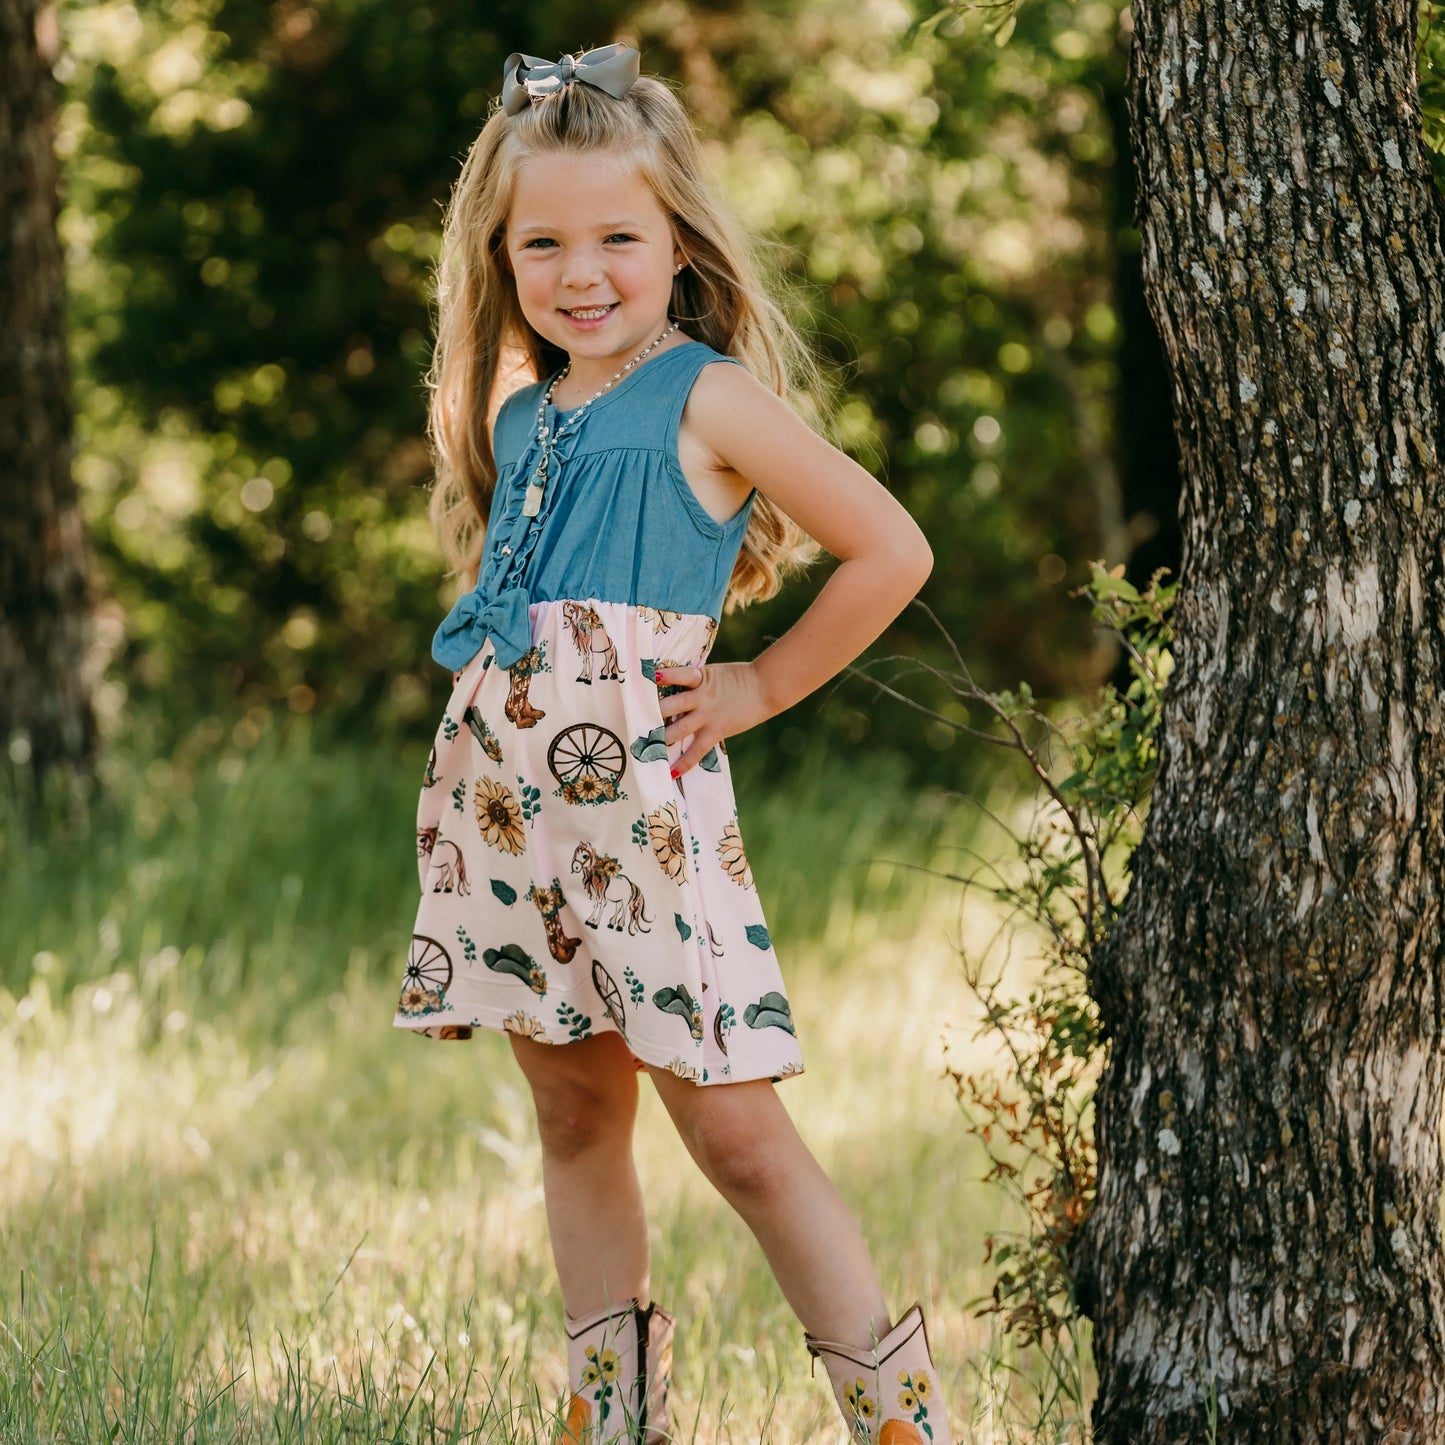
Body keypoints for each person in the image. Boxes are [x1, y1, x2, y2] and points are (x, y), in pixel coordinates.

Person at [391, 42, 950, 1445]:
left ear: (677, 243)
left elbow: (889, 546)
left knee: (737, 1134)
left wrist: (763, 685)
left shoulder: (706, 396)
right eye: (545, 244)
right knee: (575, 1116)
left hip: (644, 823)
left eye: (617, 238)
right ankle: (610, 1415)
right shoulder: (521, 413)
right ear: (500, 257)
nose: (582, 272)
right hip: (518, 819)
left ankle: (901, 1422)